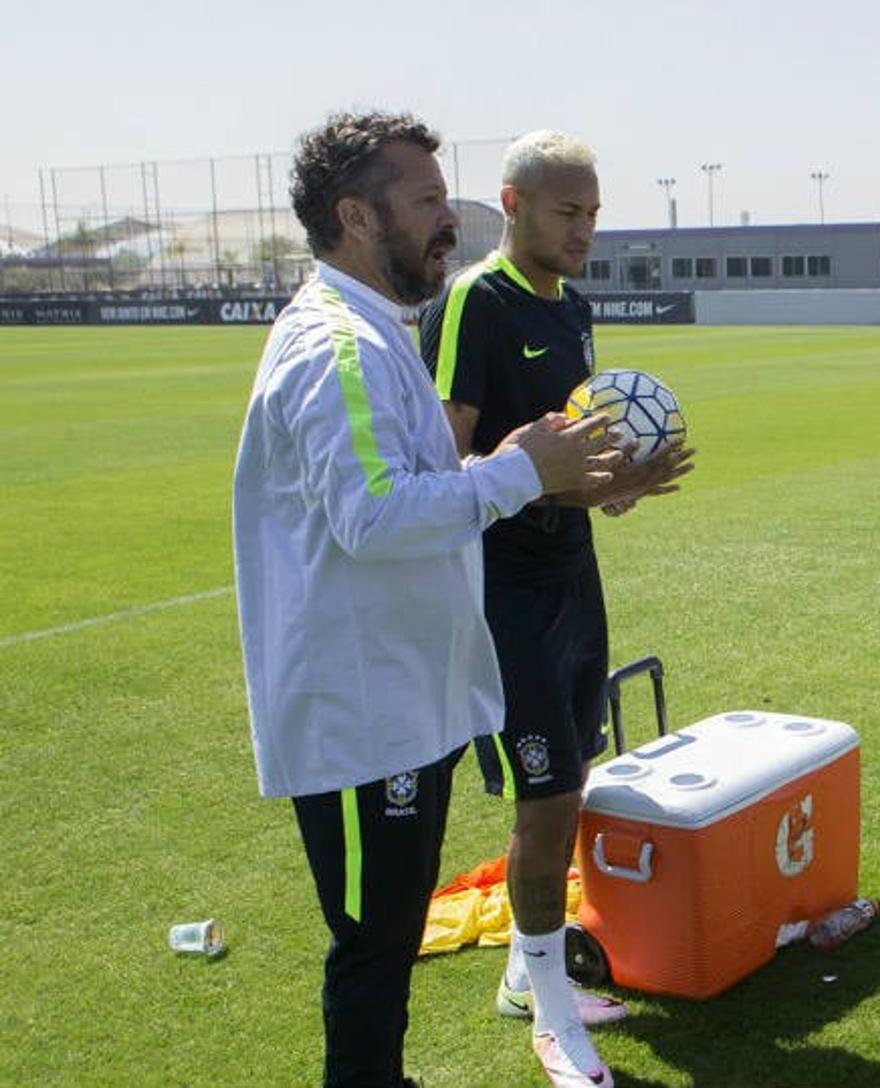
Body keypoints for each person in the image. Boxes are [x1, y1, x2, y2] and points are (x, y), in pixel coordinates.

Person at [234, 110, 618, 1088]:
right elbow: (372, 515)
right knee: (371, 947)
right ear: (358, 216)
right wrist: (524, 471)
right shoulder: (340, 346)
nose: (452, 220)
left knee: (390, 934)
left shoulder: (376, 331)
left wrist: (540, 471)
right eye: (428, 201)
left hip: (401, 704)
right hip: (364, 716)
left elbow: (424, 484)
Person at [417, 130, 693, 1088]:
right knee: (546, 807)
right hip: (502, 593)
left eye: (593, 213)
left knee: (569, 781)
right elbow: (440, 471)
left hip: (572, 575)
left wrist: (620, 487)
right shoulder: (471, 304)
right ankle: (549, 1017)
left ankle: (524, 976)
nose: (584, 230)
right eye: (566, 211)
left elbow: (571, 458)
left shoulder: (573, 310)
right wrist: (558, 491)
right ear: (513, 205)